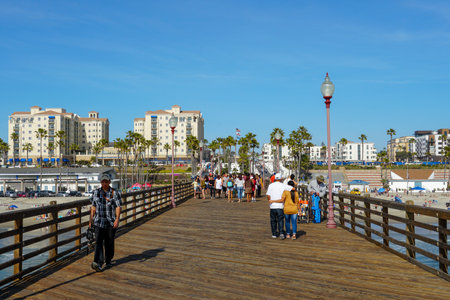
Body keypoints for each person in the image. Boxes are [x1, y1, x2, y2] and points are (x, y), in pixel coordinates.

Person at [89, 174, 122, 272]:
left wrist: (117, 219)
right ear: (100, 182)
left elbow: (118, 206)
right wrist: (91, 220)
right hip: (99, 221)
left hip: (110, 221)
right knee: (98, 242)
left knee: (109, 242)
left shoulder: (115, 193)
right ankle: (98, 263)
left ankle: (108, 260)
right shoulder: (96, 192)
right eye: (102, 182)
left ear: (109, 182)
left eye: (106, 182)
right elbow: (93, 206)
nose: (104, 183)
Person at [266, 173, 293, 239]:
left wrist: (270, 201)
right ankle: (281, 233)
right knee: (280, 220)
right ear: (281, 179)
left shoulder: (271, 185)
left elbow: (268, 195)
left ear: (275, 178)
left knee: (273, 220)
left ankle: (274, 234)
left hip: (272, 206)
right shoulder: (283, 185)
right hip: (280, 206)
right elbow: (293, 188)